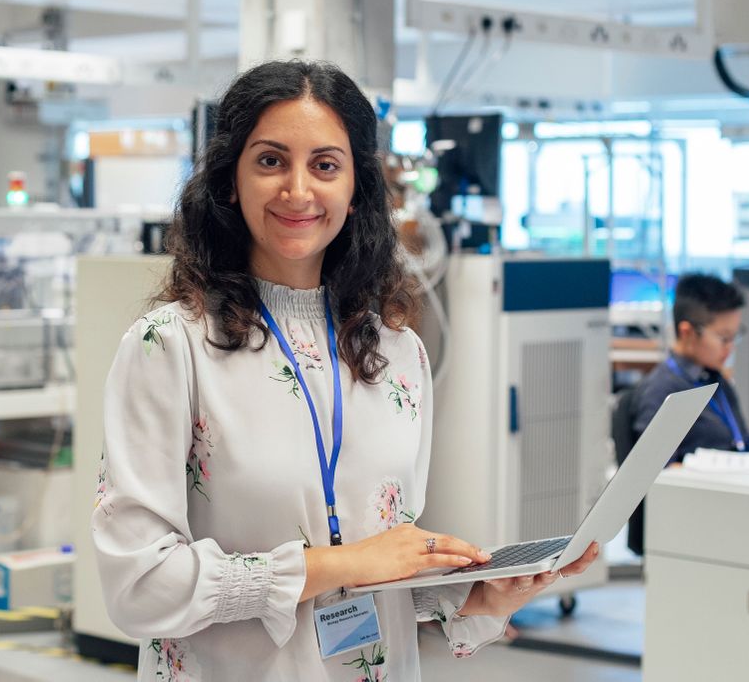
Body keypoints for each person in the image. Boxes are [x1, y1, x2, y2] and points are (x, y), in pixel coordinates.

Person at [91, 60, 599, 681]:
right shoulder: (169, 348)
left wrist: (481, 598)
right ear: (230, 181)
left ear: (356, 188)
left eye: (325, 165)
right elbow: (139, 588)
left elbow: (380, 572)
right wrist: (342, 563)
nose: (298, 190)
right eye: (271, 161)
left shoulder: (397, 354)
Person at [632, 273, 749, 462]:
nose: (730, 347)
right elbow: (658, 473)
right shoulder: (663, 390)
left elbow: (748, 446)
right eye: (724, 338)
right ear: (687, 332)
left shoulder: (714, 379)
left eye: (734, 337)